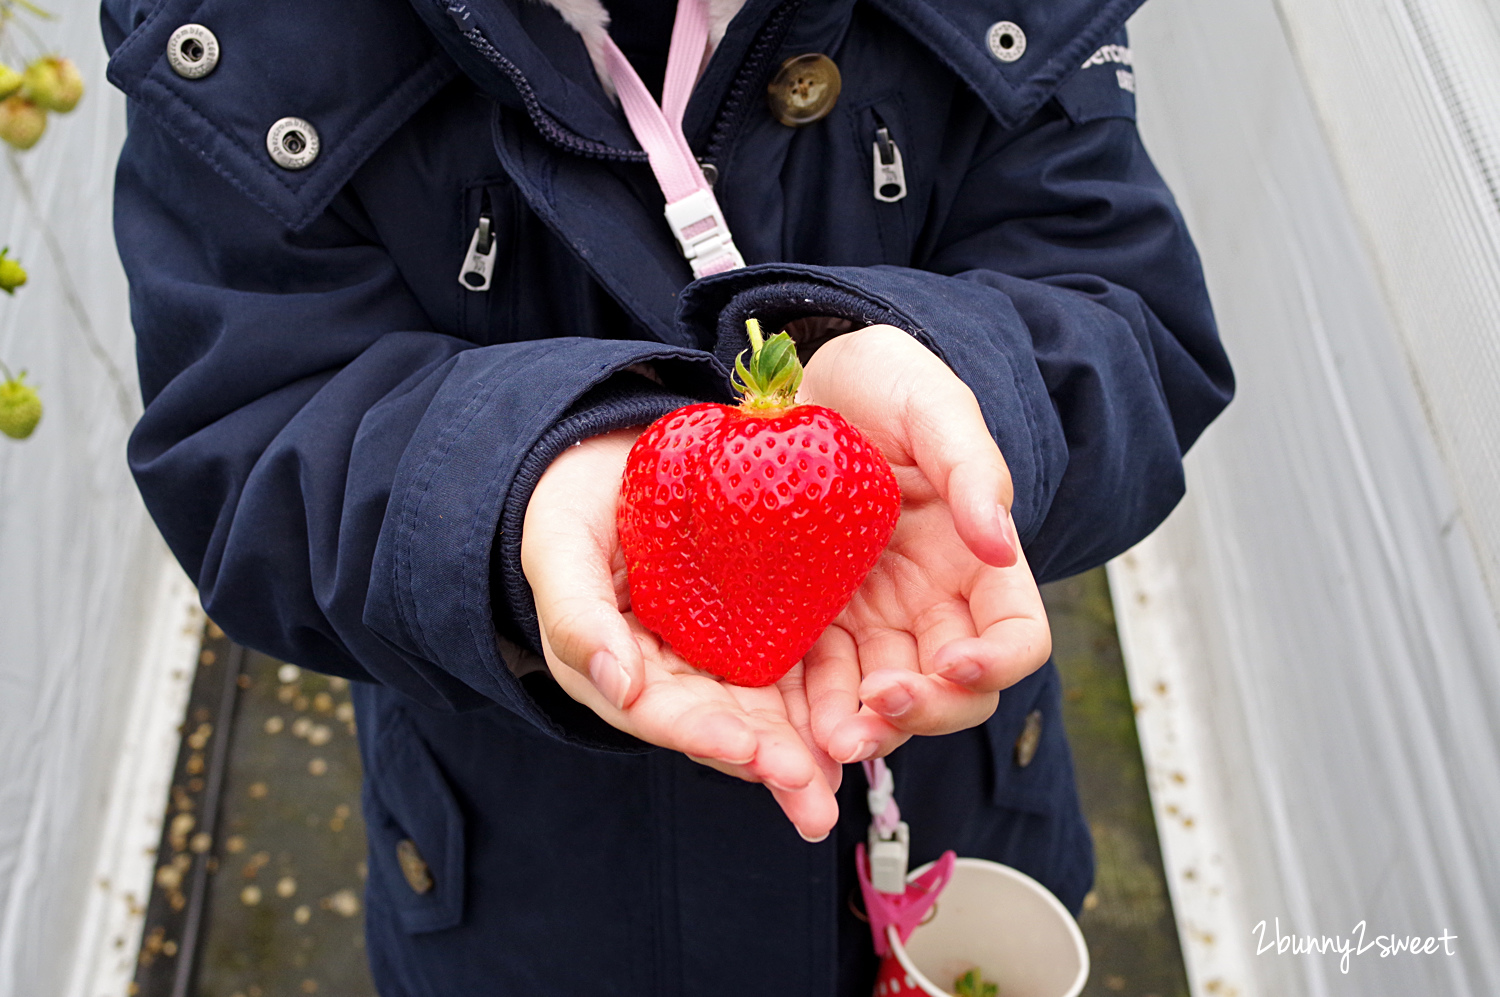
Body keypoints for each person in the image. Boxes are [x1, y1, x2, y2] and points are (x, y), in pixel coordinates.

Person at [101, 0, 1232, 993]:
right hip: (525, 888)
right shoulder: (234, 30)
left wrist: (961, 383)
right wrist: (507, 492)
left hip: (940, 816)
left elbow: (1127, 311)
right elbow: (249, 426)